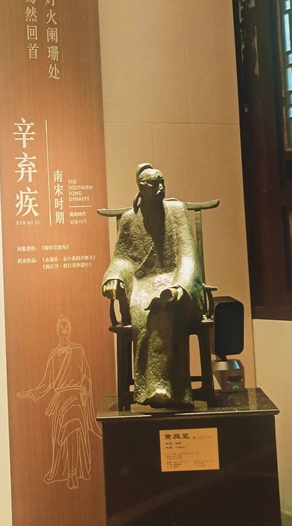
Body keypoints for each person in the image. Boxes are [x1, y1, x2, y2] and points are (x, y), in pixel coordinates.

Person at [102, 164, 204, 408]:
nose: (161, 189)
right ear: (141, 188)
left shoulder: (176, 211)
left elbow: (188, 257)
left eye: (162, 183)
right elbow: (122, 259)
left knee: (164, 309)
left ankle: (163, 387)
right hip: (143, 282)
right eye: (154, 185)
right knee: (147, 312)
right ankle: (156, 387)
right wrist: (113, 276)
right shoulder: (130, 220)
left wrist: (180, 286)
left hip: (175, 280)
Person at [17, 315, 102, 489]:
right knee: (62, 438)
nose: (64, 330)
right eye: (61, 327)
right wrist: (31, 393)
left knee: (73, 432)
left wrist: (84, 390)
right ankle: (64, 472)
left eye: (67, 326)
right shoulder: (54, 354)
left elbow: (86, 375)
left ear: (70, 329)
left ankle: (73, 474)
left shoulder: (78, 350)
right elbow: (46, 383)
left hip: (75, 398)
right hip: (60, 399)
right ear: (57, 330)